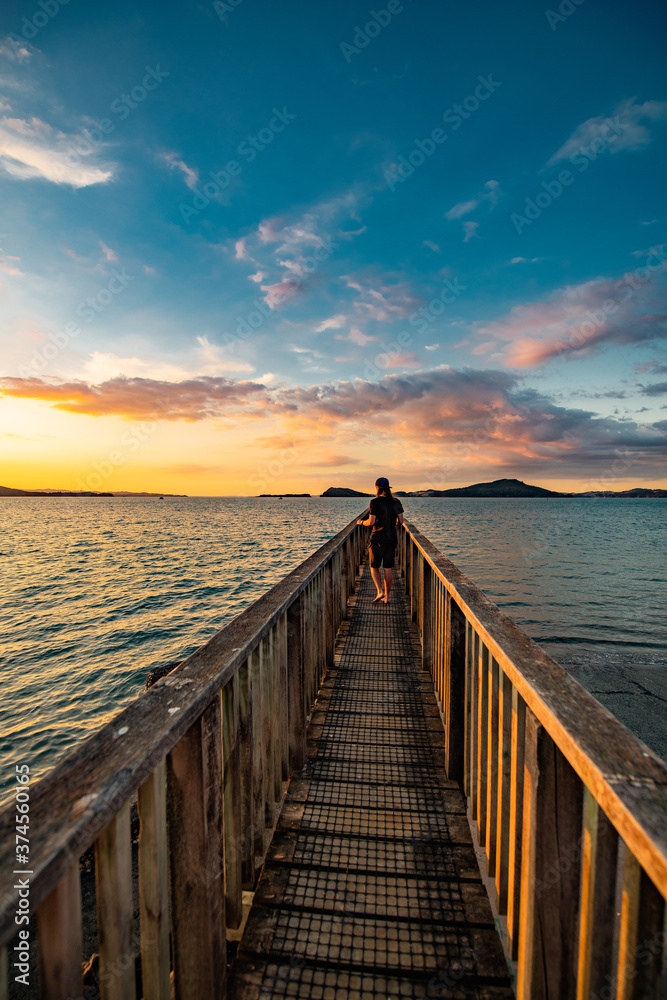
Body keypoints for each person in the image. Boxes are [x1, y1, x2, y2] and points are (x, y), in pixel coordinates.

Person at [357, 477, 404, 604]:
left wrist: (361, 522)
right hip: (391, 538)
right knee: (388, 568)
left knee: (374, 566)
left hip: (377, 538)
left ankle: (380, 591)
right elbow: (401, 521)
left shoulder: (375, 502)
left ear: (377, 488)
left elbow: (371, 522)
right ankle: (387, 596)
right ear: (388, 488)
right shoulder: (396, 502)